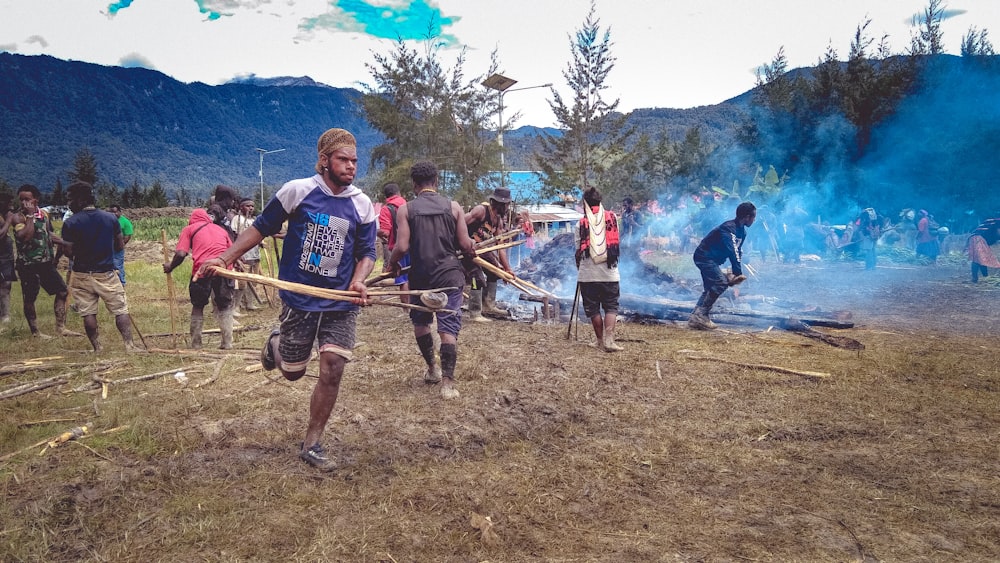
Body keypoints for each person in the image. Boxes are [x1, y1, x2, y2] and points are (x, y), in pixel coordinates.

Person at [196, 128, 377, 471]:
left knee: (333, 368)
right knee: (293, 373)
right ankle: (275, 344)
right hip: (299, 298)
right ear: (324, 160)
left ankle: (312, 443)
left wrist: (358, 280)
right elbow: (261, 227)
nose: (351, 166)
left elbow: (368, 251)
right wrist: (225, 257)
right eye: (343, 159)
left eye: (354, 160)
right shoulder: (298, 191)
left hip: (339, 301)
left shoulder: (362, 204)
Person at [389, 161, 476, 399]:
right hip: (450, 274)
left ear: (414, 184)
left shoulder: (406, 210)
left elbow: (402, 246)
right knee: (448, 327)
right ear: (436, 181)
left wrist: (392, 262)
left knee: (421, 323)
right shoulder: (454, 207)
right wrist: (472, 249)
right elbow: (465, 244)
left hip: (421, 276)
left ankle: (432, 368)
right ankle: (447, 384)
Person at [60, 182, 139, 352]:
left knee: (88, 312)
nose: (69, 204)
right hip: (106, 273)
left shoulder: (70, 223)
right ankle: (129, 345)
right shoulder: (110, 218)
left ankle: (97, 348)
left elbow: (68, 252)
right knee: (120, 309)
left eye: (70, 199)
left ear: (80, 200)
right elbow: (119, 245)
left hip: (81, 273)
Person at [11, 184, 78, 338]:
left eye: (27, 199)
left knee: (62, 291)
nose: (23, 203)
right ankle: (35, 332)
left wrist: (65, 243)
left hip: (45, 263)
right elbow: (25, 236)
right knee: (30, 297)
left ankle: (61, 327)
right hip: (28, 264)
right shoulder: (18, 217)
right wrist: (29, 216)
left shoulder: (44, 215)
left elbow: (48, 234)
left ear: (36, 199)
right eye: (21, 200)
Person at [164, 208, 236, 349]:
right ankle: (227, 343)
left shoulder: (189, 229)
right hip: (223, 270)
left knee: (198, 306)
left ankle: (196, 344)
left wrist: (170, 267)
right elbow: (232, 250)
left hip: (201, 271)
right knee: (225, 306)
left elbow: (180, 254)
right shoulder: (220, 229)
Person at [689, 201, 756, 330]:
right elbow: (732, 250)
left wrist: (732, 272)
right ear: (747, 217)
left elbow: (737, 251)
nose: (754, 220)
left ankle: (695, 317)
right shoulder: (728, 228)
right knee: (720, 283)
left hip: (712, 260)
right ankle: (701, 315)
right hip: (704, 256)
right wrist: (737, 272)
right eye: (753, 217)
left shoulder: (742, 232)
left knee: (709, 288)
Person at [574, 186, 624, 351]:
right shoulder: (612, 218)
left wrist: (578, 268)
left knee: (593, 308)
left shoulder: (580, 224)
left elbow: (578, 251)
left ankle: (599, 340)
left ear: (585, 204)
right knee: (611, 306)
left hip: (588, 275)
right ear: (599, 201)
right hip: (609, 273)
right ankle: (609, 341)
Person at [465, 187, 514, 321]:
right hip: (465, 250)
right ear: (500, 204)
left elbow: (501, 246)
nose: (508, 207)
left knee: (495, 272)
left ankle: (488, 304)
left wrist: (507, 269)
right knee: (477, 278)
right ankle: (475, 312)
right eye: (507, 204)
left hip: (482, 249)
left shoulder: (498, 220)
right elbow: (459, 223)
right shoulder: (481, 211)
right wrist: (466, 242)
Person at [377, 182, 409, 304]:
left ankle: (407, 308)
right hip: (414, 246)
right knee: (412, 277)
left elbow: (385, 232)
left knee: (403, 280)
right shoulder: (408, 205)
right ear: (398, 193)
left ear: (386, 196)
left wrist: (376, 232)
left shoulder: (386, 209)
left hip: (398, 248)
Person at [231, 197, 264, 312]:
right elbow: (234, 236)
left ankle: (249, 303)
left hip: (254, 255)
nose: (250, 208)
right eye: (248, 206)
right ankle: (235, 307)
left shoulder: (254, 221)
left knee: (253, 280)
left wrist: (260, 242)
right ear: (241, 207)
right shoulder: (237, 219)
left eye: (252, 206)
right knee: (241, 283)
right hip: (244, 256)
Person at [966, 219, 1000, 283]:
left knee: (982, 259)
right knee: (977, 259)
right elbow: (998, 232)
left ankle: (985, 277)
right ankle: (975, 278)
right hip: (977, 238)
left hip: (979, 238)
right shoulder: (997, 222)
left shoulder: (994, 221)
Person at [107, 204, 134, 285]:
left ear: (119, 212)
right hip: (107, 247)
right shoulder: (107, 221)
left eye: (115, 212)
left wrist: (120, 245)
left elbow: (127, 236)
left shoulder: (125, 222)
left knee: (118, 266)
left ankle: (121, 283)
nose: (113, 214)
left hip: (118, 248)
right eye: (111, 212)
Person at [0, 193, 16, 324]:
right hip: (2, 256)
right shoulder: (7, 217)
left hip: (6, 256)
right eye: (8, 202)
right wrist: (9, 220)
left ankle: (5, 314)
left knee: (6, 284)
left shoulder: (4, 215)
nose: (11, 205)